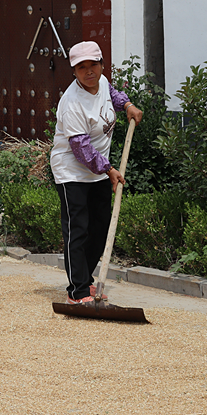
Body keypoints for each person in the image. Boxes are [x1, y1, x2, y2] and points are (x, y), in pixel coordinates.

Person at [50, 41, 143, 305]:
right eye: (82, 67)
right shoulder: (71, 103)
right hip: (72, 171)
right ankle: (77, 291)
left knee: (100, 227)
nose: (89, 71)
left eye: (93, 65)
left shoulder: (101, 82)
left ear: (102, 65)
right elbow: (80, 148)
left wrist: (127, 106)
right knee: (77, 229)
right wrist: (109, 169)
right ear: (74, 71)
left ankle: (86, 277)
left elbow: (112, 94)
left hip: (99, 169)